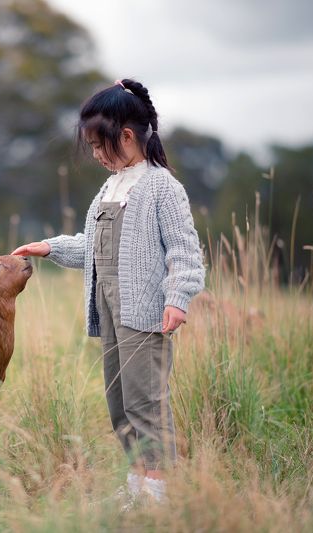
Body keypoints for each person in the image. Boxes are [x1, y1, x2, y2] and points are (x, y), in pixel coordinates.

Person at [12, 78, 205, 504]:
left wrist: (178, 299)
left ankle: (157, 492)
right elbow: (93, 248)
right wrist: (50, 247)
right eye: (93, 148)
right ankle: (137, 484)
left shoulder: (161, 187)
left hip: (145, 311)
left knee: (145, 402)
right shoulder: (108, 189)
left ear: (128, 136)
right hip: (110, 309)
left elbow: (185, 251)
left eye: (101, 146)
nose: (97, 155)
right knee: (118, 402)